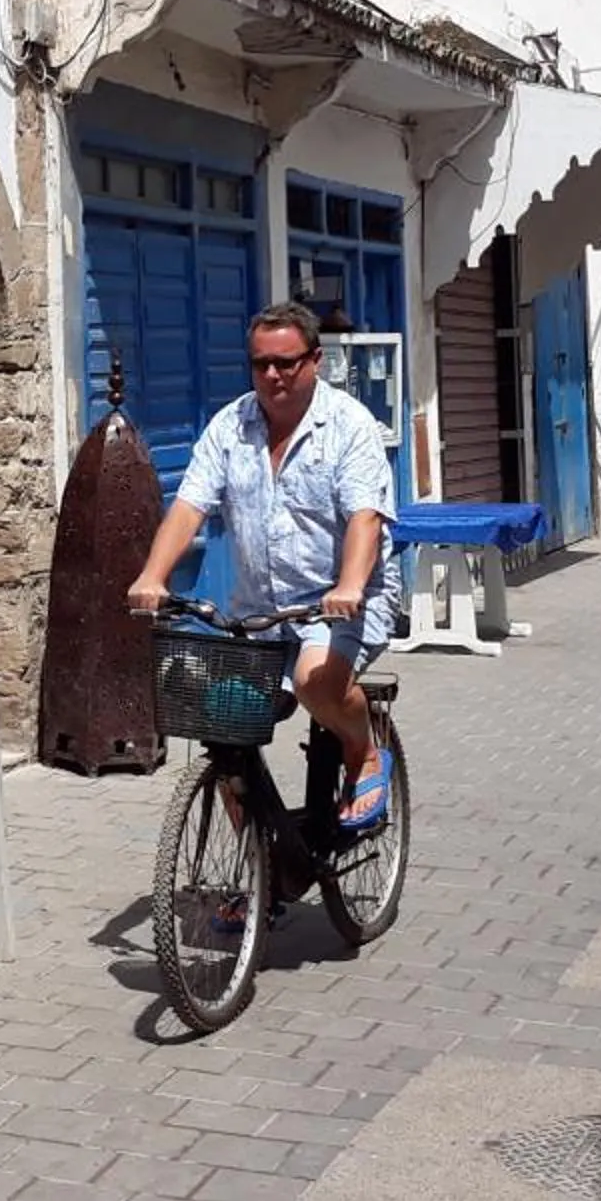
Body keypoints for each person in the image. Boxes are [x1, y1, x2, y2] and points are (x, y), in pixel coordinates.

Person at [129, 304, 402, 844]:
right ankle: (260, 864)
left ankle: (364, 748)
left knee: (314, 681)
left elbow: (365, 518)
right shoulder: (230, 426)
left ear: (315, 361)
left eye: (286, 363)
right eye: (261, 364)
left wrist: (349, 586)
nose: (273, 375)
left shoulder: (348, 425)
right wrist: (152, 576)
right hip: (261, 612)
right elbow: (189, 505)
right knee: (222, 721)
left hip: (341, 604)